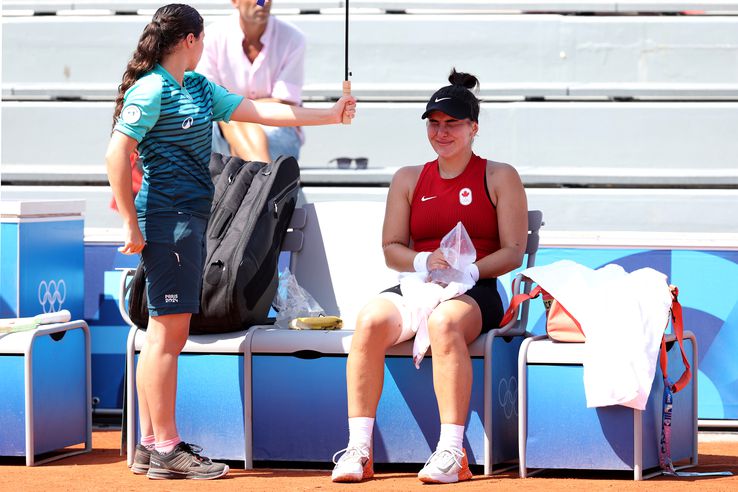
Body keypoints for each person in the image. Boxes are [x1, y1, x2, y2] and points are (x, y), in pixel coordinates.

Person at [105, 3, 355, 480]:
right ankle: (166, 446)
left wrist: (328, 115)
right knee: (167, 335)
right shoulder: (153, 87)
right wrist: (130, 226)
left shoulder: (197, 87)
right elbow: (116, 153)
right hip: (167, 220)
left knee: (162, 334)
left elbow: (259, 111)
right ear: (191, 41)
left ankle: (148, 444)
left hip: (191, 219)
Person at [330, 69, 527, 484]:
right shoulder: (408, 178)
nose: (442, 132)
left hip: (479, 288)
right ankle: (359, 449)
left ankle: (452, 452)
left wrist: (471, 269)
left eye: (452, 124)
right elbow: (391, 249)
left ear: (473, 128)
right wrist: (424, 261)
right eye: (434, 124)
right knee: (367, 320)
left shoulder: (499, 175)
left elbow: (512, 251)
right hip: (420, 284)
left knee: (444, 322)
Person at [196, 0, 305, 162]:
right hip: (221, 126)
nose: (265, 2)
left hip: (274, 126)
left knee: (233, 119)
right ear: (235, 1)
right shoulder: (212, 37)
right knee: (218, 124)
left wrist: (236, 109)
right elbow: (209, 100)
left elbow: (286, 102)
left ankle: (255, 182)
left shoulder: (293, 37)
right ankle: (266, 183)